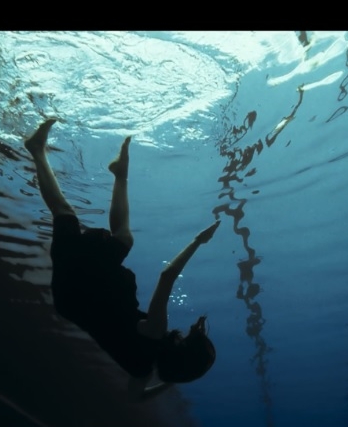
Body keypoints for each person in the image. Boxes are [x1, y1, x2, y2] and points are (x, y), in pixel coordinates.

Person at [25, 118, 220, 402]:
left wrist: (198, 241)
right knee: (118, 237)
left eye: (187, 341)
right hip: (76, 298)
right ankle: (118, 173)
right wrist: (169, 383)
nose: (183, 335)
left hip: (85, 286)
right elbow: (136, 398)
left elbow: (167, 277)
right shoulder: (142, 370)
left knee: (70, 216)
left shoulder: (155, 333)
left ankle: (38, 150)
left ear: (182, 350)